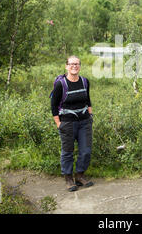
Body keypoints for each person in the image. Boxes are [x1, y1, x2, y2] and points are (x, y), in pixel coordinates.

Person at [51, 56, 94, 191]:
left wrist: (90, 115)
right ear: (66, 66)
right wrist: (58, 123)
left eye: (77, 64)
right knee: (67, 152)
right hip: (67, 123)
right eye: (71, 64)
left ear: (80, 66)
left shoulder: (85, 81)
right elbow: (53, 106)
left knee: (86, 151)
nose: (74, 66)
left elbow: (88, 100)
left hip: (84, 122)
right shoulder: (61, 84)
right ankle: (69, 179)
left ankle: (80, 176)